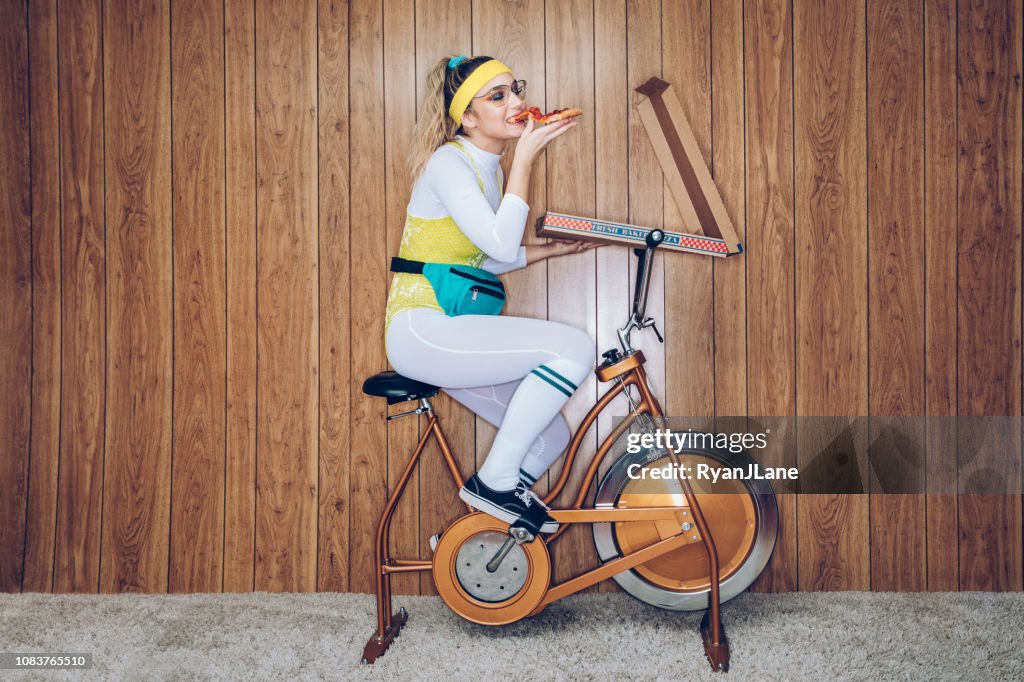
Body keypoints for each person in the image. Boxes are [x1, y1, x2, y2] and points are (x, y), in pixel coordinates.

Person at [385, 55, 596, 536]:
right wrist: (525, 157)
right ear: (468, 117)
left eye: (514, 89)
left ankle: (473, 537)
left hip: (449, 331)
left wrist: (547, 252)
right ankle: (494, 484)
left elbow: (479, 255)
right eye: (498, 96)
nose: (518, 103)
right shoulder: (448, 163)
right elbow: (498, 242)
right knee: (575, 349)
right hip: (423, 329)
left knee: (549, 436)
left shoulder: (491, 169)